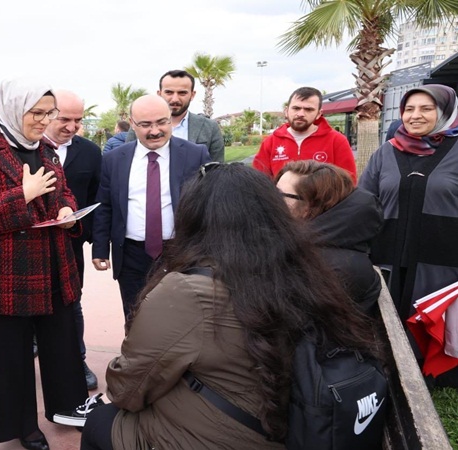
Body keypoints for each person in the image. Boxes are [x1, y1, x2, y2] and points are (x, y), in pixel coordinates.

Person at [81, 163, 377, 450]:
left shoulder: (188, 290)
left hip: (227, 435)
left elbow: (128, 389)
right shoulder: (301, 267)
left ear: (194, 218)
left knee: (99, 419)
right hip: (283, 425)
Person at [0, 78, 88, 450]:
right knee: (13, 355)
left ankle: (71, 409)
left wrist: (67, 210)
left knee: (62, 346)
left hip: (53, 265)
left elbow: (63, 191)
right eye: (37, 113)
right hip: (6, 274)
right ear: (14, 108)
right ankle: (22, 426)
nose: (44, 121)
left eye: (49, 113)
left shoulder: (45, 148)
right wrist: (22, 196)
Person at [359, 84, 458, 380]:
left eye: (427, 109)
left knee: (435, 315)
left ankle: (438, 372)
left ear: (445, 112)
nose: (415, 116)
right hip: (386, 252)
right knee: (387, 315)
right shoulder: (385, 153)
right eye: (409, 109)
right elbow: (364, 201)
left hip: (442, 257)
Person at [92, 94, 211, 322]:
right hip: (131, 255)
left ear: (170, 119)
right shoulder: (114, 160)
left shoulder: (196, 155)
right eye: (145, 125)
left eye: (162, 122)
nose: (155, 131)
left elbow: (209, 203)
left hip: (181, 252)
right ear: (132, 123)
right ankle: (135, 358)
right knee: (136, 316)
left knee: (181, 318)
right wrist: (99, 249)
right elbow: (104, 206)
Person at [43, 89, 103, 391]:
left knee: (72, 304)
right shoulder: (23, 151)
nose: (72, 126)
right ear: (47, 113)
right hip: (32, 248)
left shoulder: (91, 152)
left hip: (71, 247)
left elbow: (97, 199)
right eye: (64, 118)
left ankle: (77, 359)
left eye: (78, 120)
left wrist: (84, 233)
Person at [275, 160, 382, 316]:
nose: (271, 199)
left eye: (279, 195)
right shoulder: (302, 245)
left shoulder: (337, 269)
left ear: (309, 206)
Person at [253, 86, 357, 182]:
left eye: (308, 109)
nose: (301, 114)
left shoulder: (336, 140)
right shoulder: (270, 142)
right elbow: (259, 182)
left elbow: (348, 181)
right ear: (286, 111)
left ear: (319, 114)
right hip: (279, 201)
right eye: (296, 108)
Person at [125, 70, 225, 162]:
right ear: (159, 94)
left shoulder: (209, 127)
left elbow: (217, 170)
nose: (175, 99)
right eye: (169, 92)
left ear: (192, 95)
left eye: (182, 93)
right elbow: (128, 160)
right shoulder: (140, 126)